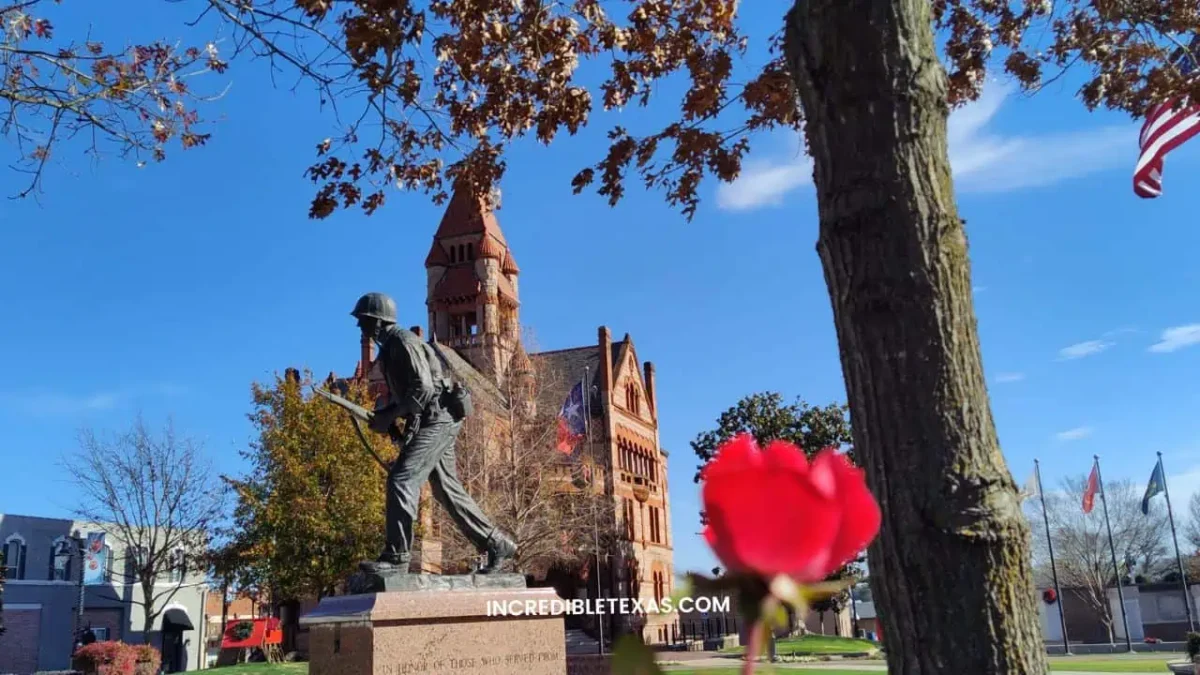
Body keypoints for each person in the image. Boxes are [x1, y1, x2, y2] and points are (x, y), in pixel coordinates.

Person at [350, 292, 517, 573]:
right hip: (435, 418)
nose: (360, 327)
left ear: (378, 322)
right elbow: (409, 395)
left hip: (439, 418)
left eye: (364, 321)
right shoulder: (390, 349)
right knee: (447, 490)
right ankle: (497, 543)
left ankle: (397, 557)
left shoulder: (403, 343)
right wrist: (386, 417)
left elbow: (423, 389)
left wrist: (391, 414)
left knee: (401, 480)